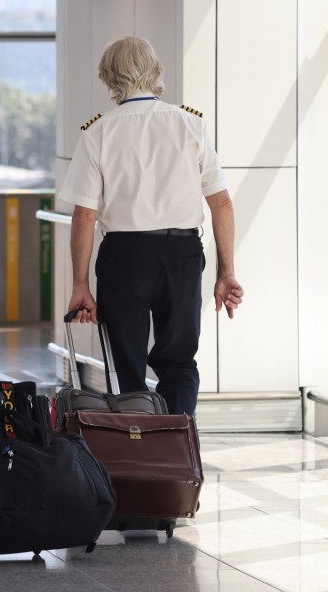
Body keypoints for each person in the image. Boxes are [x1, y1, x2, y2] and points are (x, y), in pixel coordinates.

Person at [59, 36, 244, 416]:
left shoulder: (98, 132)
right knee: (179, 361)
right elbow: (221, 202)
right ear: (156, 72)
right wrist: (226, 271)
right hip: (181, 255)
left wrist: (80, 285)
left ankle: (135, 448)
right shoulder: (190, 125)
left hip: (124, 258)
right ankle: (175, 453)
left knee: (125, 363)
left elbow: (84, 216)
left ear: (107, 77)